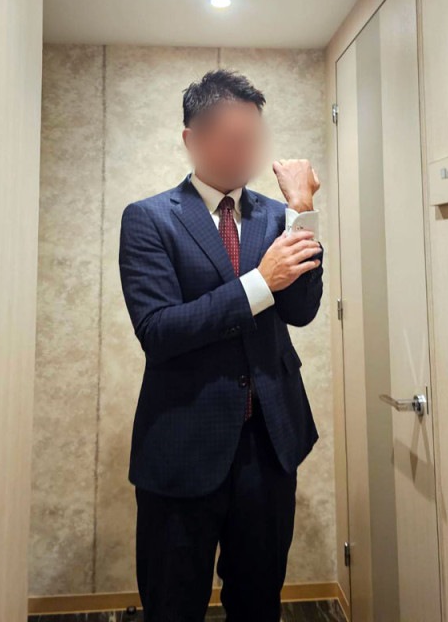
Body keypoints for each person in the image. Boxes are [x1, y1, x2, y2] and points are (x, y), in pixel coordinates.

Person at [118, 68, 324, 622]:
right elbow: (158, 331)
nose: (246, 152)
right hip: (182, 444)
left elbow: (302, 311)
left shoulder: (277, 215)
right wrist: (259, 283)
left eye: (253, 139)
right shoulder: (149, 219)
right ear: (193, 139)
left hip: (269, 444)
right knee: (173, 604)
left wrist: (303, 211)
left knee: (258, 601)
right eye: (233, 139)